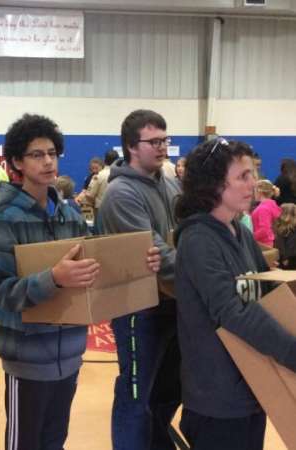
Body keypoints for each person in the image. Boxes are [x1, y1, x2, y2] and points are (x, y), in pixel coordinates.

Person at [0, 113, 163, 450]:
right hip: (27, 358)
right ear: (16, 162)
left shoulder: (69, 214)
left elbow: (101, 259)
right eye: (37, 154)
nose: (48, 161)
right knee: (25, 443)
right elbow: (0, 291)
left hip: (69, 353)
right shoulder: (7, 219)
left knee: (55, 441)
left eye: (52, 153)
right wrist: (53, 278)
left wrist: (143, 261)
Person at [173, 138, 296, 450]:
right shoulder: (198, 239)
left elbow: (264, 289)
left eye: (253, 174)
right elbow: (234, 310)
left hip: (251, 383)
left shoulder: (238, 230)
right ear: (213, 185)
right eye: (242, 176)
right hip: (218, 397)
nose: (252, 184)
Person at [98, 109, 181, 450]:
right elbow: (159, 255)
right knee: (135, 395)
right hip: (138, 312)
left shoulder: (171, 182)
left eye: (165, 140)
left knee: (169, 391)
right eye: (155, 141)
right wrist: (203, 273)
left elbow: (185, 236)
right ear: (132, 147)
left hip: (171, 304)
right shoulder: (121, 195)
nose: (163, 147)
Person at [85, 149, 119, 220]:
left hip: (101, 209)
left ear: (104, 160)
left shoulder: (99, 176)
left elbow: (89, 195)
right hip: (117, 209)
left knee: (101, 230)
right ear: (117, 160)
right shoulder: (121, 175)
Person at [251, 179, 281, 247]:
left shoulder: (263, 209)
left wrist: (250, 237)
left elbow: (264, 230)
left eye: (254, 191)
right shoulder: (272, 205)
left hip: (263, 244)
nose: (253, 194)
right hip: (268, 242)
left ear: (259, 191)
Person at [274, 202, 296, 270]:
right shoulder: (292, 228)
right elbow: (289, 245)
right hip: (290, 258)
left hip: (284, 257)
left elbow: (280, 244)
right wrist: (285, 258)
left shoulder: (280, 226)